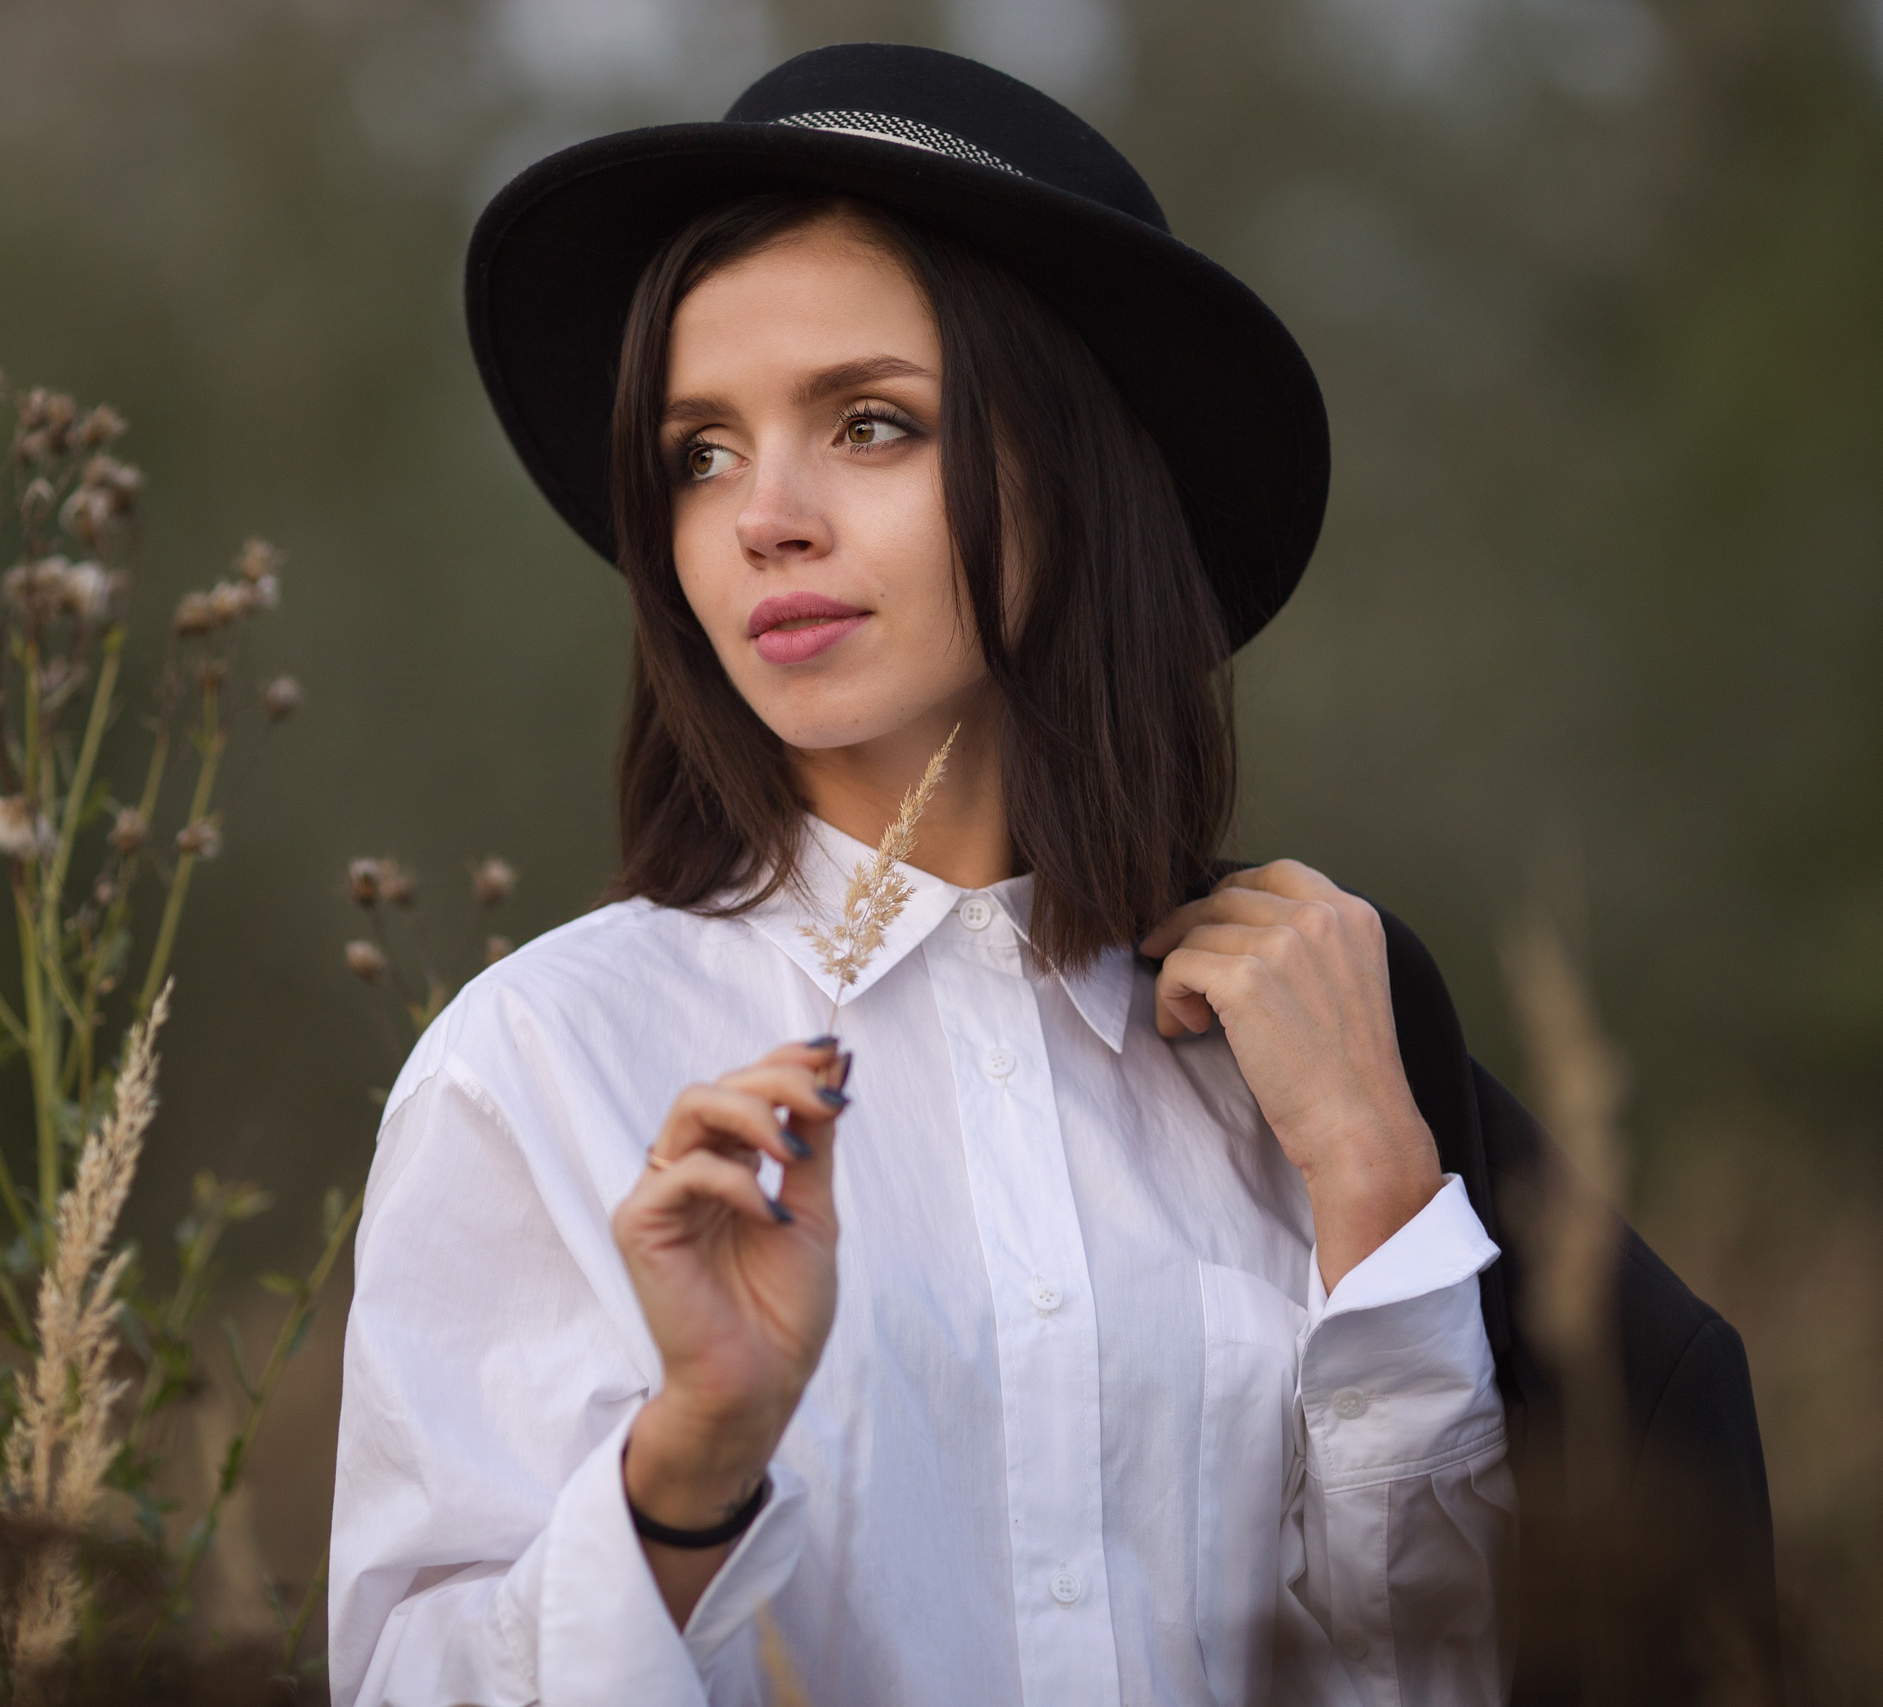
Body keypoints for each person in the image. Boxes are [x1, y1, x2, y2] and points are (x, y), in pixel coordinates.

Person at [328, 43, 1774, 1707]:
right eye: (699, 451)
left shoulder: (1297, 1055)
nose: (764, 518)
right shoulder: (543, 1064)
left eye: (870, 424)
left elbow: (1448, 1671)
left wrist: (1377, 1179)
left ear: (1076, 473)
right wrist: (686, 1472)